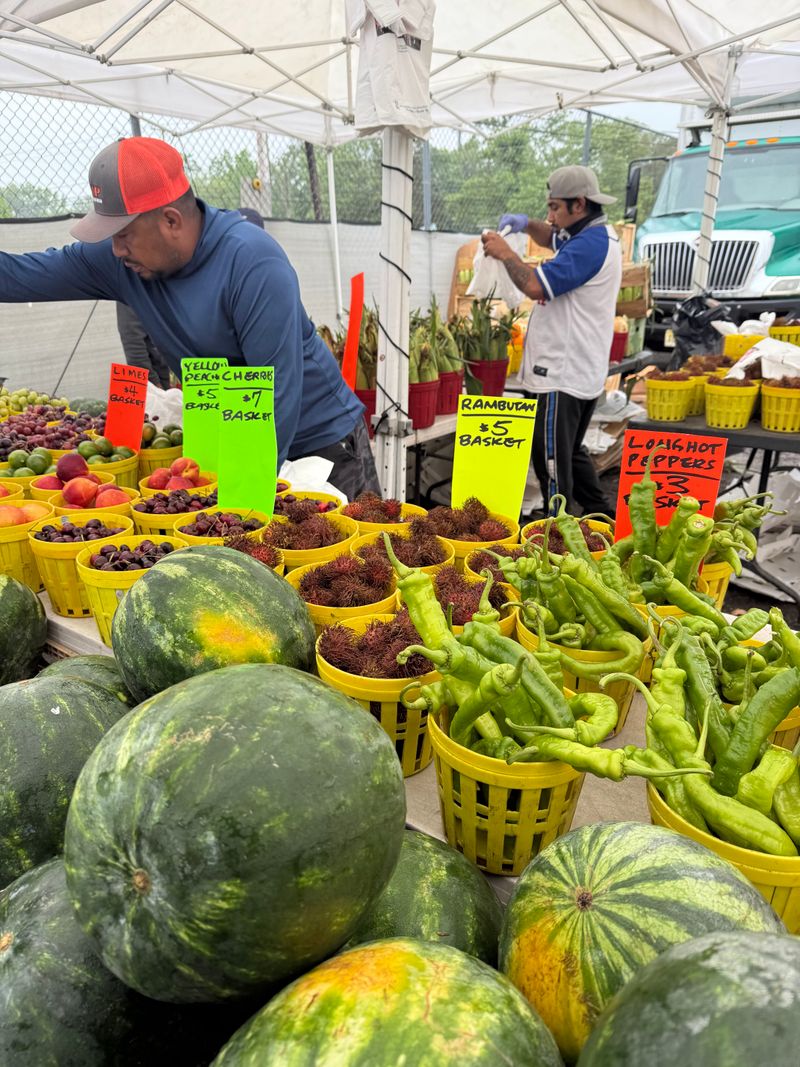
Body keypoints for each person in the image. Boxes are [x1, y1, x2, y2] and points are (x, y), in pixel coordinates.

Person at [0, 137, 380, 498]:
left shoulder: (250, 262)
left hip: (320, 447)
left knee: (346, 562)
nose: (114, 249)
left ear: (171, 221)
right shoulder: (122, 262)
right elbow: (24, 276)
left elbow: (276, 393)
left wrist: (238, 508)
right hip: (231, 441)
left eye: (124, 234)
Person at [482, 165, 621, 517]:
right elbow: (549, 237)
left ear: (579, 203)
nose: (551, 216)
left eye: (555, 207)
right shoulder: (587, 233)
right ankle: (601, 515)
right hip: (577, 370)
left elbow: (534, 286)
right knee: (571, 452)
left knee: (551, 460)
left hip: (561, 373)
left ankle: (558, 527)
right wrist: (526, 223)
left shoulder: (589, 245)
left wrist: (506, 253)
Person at [115, 301, 172, 389]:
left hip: (193, 370)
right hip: (164, 380)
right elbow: (133, 343)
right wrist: (153, 383)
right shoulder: (131, 291)